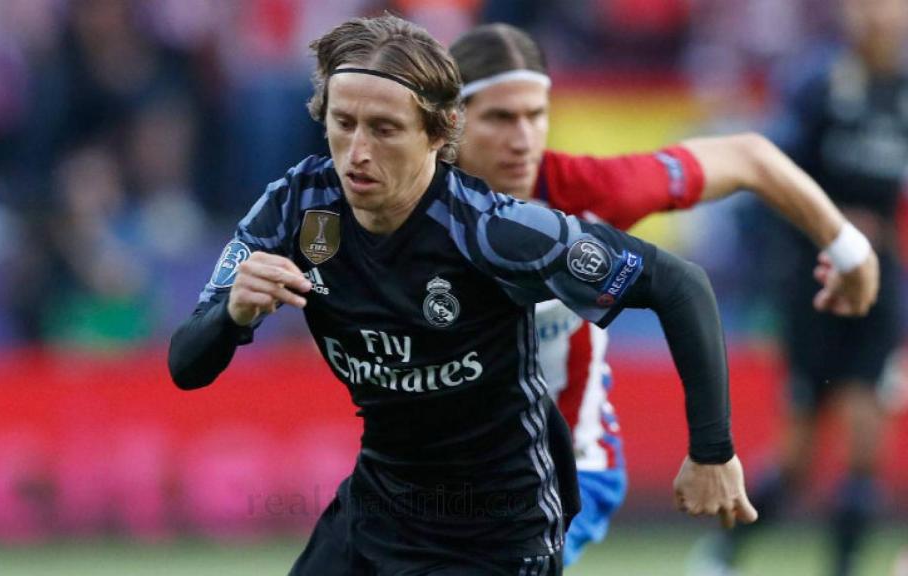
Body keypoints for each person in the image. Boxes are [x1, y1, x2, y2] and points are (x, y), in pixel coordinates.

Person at [169, 14, 757, 575]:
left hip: (496, 532)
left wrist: (712, 452)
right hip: (379, 505)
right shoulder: (295, 206)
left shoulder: (492, 229)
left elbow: (679, 284)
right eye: (343, 123)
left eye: (385, 129)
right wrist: (232, 314)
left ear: (439, 132)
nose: (358, 151)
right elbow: (186, 365)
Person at [447, 23, 881, 568]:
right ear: (450, 121)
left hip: (565, 469)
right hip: (446, 469)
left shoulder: (586, 192)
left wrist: (849, 249)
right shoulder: (404, 208)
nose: (524, 139)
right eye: (500, 118)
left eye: (536, 115)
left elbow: (748, 156)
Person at [696, 1, 908, 575]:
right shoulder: (818, 85)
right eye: (869, 6)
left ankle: (843, 567)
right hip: (813, 289)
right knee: (797, 460)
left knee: (866, 449)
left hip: (877, 291)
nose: (881, 18)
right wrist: (832, 229)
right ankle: (722, 553)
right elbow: (772, 184)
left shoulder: (902, 90)